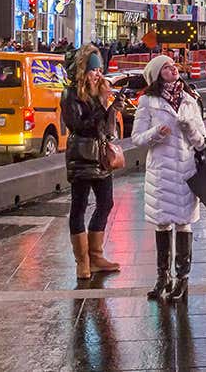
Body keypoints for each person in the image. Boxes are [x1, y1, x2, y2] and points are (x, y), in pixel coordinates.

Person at [132, 55, 206, 301]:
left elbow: (201, 141)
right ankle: (162, 278)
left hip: (185, 171)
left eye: (174, 66)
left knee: (184, 224)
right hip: (161, 173)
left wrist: (189, 129)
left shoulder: (189, 99)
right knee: (162, 224)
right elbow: (137, 138)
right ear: (156, 74)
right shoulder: (147, 101)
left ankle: (182, 280)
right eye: (166, 67)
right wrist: (156, 133)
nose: (173, 69)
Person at [61, 45, 122, 280]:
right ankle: (82, 261)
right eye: (94, 70)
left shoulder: (100, 92)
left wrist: (112, 109)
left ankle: (96, 256)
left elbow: (106, 129)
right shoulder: (71, 94)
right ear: (83, 70)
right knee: (79, 206)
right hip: (81, 157)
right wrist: (102, 110)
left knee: (106, 203)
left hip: (101, 158)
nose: (98, 74)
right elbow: (78, 125)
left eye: (100, 70)